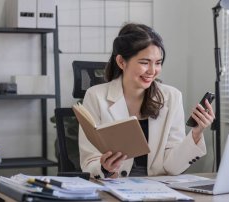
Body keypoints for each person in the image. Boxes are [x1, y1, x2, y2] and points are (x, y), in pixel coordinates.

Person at [78, 23, 215, 178]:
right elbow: (89, 161)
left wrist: (196, 133)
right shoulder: (95, 96)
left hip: (157, 188)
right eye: (144, 62)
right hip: (113, 185)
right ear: (122, 62)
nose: (152, 71)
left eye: (158, 63)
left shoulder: (172, 97)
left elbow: (172, 167)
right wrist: (104, 168)